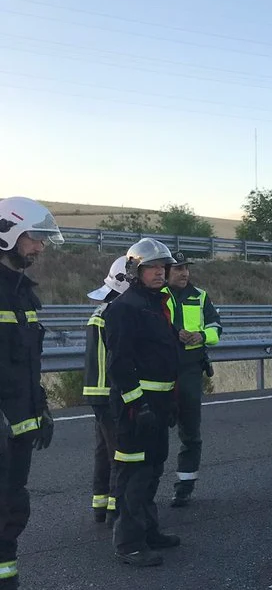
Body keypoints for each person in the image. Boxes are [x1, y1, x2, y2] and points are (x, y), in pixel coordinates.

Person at [103, 238, 182, 567]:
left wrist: (169, 402)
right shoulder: (126, 307)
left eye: (163, 267)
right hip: (136, 408)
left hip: (158, 403)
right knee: (134, 474)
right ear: (136, 271)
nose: (159, 273)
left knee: (152, 470)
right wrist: (139, 404)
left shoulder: (154, 304)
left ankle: (149, 531)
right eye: (151, 268)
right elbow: (119, 363)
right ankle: (129, 543)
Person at [0, 197, 61, 590]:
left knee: (10, 509)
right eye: (35, 238)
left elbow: (26, 361)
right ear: (8, 234)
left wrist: (39, 405)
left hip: (18, 423)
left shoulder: (22, 293)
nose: (40, 247)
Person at [163, 251, 222, 508]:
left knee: (190, 432)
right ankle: (144, 489)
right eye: (178, 268)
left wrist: (201, 335)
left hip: (189, 371)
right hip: (161, 370)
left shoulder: (200, 296)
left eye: (186, 268)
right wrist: (173, 335)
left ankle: (184, 488)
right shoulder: (157, 295)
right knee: (153, 432)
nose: (184, 272)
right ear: (165, 271)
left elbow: (216, 326)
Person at [83, 255, 133, 524]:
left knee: (103, 450)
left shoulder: (101, 310)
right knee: (119, 452)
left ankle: (100, 505)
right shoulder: (114, 313)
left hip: (97, 393)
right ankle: (117, 507)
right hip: (108, 393)